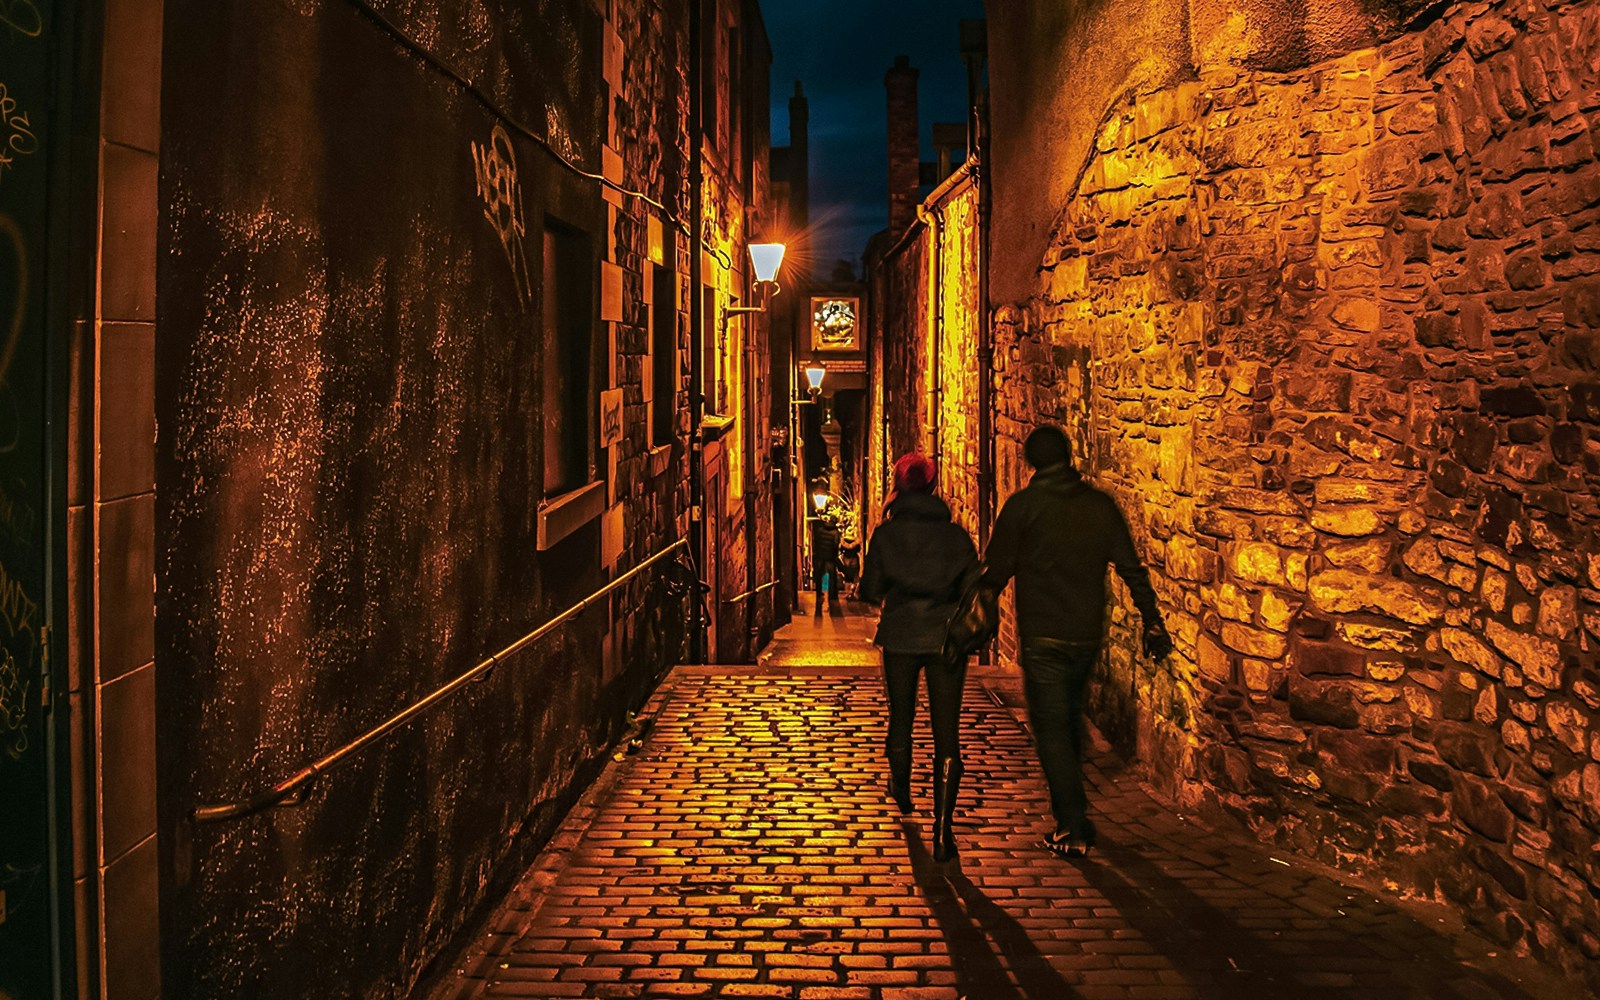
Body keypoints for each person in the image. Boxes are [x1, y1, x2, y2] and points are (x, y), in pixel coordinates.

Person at [979, 425, 1172, 857]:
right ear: (1069, 456)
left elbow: (994, 572)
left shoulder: (1023, 507)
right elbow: (1130, 568)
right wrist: (1152, 619)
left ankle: (1072, 823)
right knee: (1068, 718)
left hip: (1042, 634)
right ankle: (1074, 808)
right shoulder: (1098, 506)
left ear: (1030, 461)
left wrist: (976, 611)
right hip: (1085, 634)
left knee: (1051, 729)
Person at [860, 453, 979, 861]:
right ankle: (943, 830)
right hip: (946, 639)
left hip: (900, 636)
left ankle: (905, 796)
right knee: (947, 732)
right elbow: (972, 590)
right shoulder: (957, 537)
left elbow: (870, 589)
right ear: (932, 487)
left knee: (901, 718)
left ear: (899, 486)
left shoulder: (886, 536)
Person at [810, 515, 843, 616]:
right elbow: (835, 545)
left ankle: (819, 593)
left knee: (819, 576)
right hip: (830, 557)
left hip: (820, 556)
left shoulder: (820, 530)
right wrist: (834, 555)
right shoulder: (835, 533)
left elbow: (816, 542)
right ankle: (832, 595)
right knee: (832, 576)